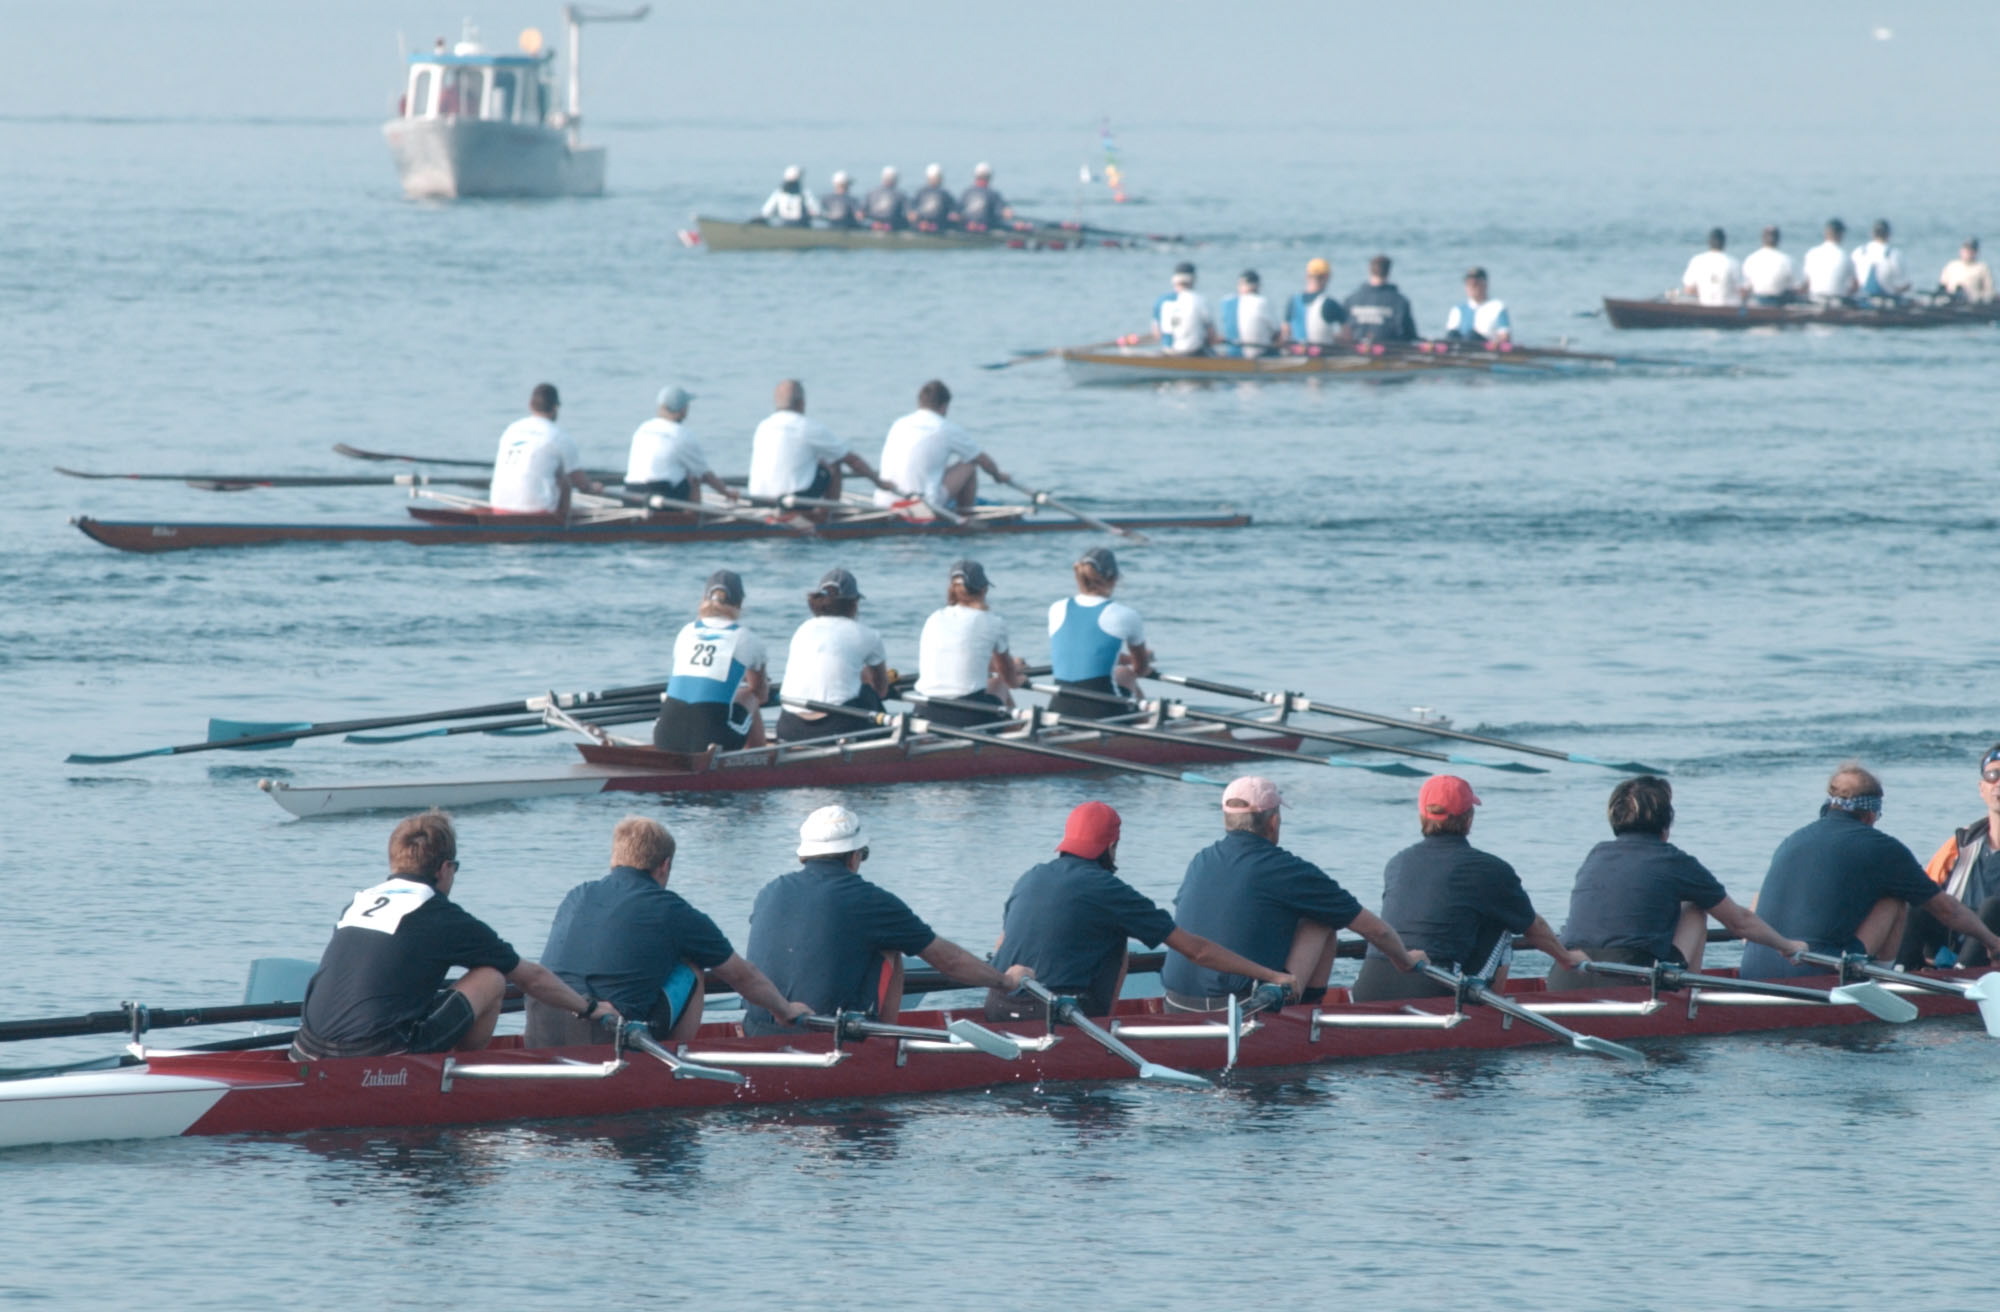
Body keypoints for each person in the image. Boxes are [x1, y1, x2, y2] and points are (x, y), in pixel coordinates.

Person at [292, 812, 620, 1060]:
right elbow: (530, 978)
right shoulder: (441, 916)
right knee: (491, 977)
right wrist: (589, 1007)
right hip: (376, 1057)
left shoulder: (358, 902)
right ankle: (459, 1078)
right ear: (445, 868)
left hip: (304, 1049)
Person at [987, 801, 1297, 1020]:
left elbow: (1001, 945)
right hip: (1055, 1016)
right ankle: (1105, 1028)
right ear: (1111, 846)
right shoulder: (1109, 890)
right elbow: (1197, 951)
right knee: (1117, 937)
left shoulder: (1031, 876)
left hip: (997, 1007)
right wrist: (1271, 975)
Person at [741, 805, 1033, 1035]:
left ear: (805, 855)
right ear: (855, 856)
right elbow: (949, 961)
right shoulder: (869, 900)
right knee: (891, 948)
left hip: (758, 1032)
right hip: (829, 1037)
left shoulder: (769, 891)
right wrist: (1004, 980)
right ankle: (888, 1044)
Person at [524, 817, 811, 1046]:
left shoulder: (577, 895)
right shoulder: (671, 910)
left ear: (615, 859)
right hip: (604, 1034)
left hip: (540, 1028)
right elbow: (741, 975)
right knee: (692, 964)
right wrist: (784, 1010)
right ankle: (675, 1063)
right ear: (665, 865)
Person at [1162, 777, 1426, 1011]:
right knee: (1324, 918)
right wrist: (1404, 960)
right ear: (1274, 822)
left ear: (1226, 819)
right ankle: (1307, 1014)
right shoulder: (1287, 869)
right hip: (1243, 1007)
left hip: (1174, 1003)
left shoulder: (1200, 860)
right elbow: (1375, 931)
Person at [1739, 763, 2000, 980]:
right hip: (1815, 970)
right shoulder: (1883, 848)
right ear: (1871, 814)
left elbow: (1757, 903)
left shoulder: (1792, 841)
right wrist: (1991, 941)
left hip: (1752, 971)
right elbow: (1947, 910)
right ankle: (1883, 979)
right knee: (1895, 897)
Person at [1543, 777, 1805, 992]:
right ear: (1666, 822)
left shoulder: (1596, 855)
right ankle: (1690, 999)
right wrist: (1787, 947)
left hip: (1565, 977)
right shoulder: (1673, 861)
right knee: (1694, 909)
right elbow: (1739, 923)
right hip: (1629, 979)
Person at [1349, 777, 1585, 1002]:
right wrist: (1567, 959)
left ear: (1422, 815)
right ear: (1469, 819)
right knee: (1506, 920)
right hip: (1434, 988)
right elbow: (1535, 927)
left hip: (1368, 988)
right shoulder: (1490, 868)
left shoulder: (1397, 863)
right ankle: (1493, 1014)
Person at [1896, 745, 2000, 969]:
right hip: (1954, 947)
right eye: (1993, 775)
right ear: (1982, 788)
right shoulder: (1960, 844)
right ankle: (1900, 974)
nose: (1999, 783)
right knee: (1918, 905)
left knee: (1992, 908)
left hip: (1992, 957)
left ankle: (1962, 975)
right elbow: (1927, 895)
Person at [653, 569, 770, 753]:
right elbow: (761, 694)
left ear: (704, 599)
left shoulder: (686, 632)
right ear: (740, 602)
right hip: (712, 740)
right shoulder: (747, 638)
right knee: (750, 696)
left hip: (663, 737)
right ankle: (758, 759)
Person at [774, 567, 889, 742]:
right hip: (836, 728)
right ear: (854, 603)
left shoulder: (803, 629)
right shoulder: (868, 634)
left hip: (789, 727)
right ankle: (891, 748)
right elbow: (881, 690)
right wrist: (864, 680)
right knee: (868, 694)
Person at [912, 559, 1023, 727]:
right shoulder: (993, 622)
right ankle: (1019, 737)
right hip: (967, 714)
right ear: (984, 589)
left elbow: (968, 658)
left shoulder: (934, 618)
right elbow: (1008, 678)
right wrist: (1018, 677)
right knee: (999, 683)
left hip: (923, 711)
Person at [1045, 546, 1151, 719]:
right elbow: (1141, 669)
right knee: (1127, 673)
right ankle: (1146, 729)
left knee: (1121, 672)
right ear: (1114, 578)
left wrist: (1126, 660)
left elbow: (1083, 649)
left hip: (1059, 707)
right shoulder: (1126, 614)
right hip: (1102, 711)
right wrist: (1143, 660)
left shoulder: (1056, 608)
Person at [872, 379, 1005, 513]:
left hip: (883, 503)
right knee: (970, 463)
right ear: (944, 406)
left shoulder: (899, 424)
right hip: (921, 506)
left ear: (919, 403)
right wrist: (997, 476)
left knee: (935, 469)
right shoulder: (945, 428)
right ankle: (966, 514)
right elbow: (983, 461)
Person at [746, 379, 880, 504]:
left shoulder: (763, 426)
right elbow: (852, 460)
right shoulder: (806, 426)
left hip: (758, 500)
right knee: (833, 461)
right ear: (801, 403)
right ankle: (827, 515)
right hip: (791, 502)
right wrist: (880, 482)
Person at [490, 382, 601, 514]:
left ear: (530, 405)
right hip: (537, 512)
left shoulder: (511, 429)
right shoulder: (559, 436)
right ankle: (563, 528)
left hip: (498, 506)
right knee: (564, 479)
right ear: (555, 408)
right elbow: (581, 483)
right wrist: (593, 489)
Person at [623, 385, 736, 505]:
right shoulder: (681, 434)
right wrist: (727, 492)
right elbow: (705, 475)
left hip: (630, 494)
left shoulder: (643, 428)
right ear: (682, 410)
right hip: (661, 498)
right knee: (694, 477)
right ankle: (694, 520)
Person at [1345, 254, 1419, 346]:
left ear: (1369, 270)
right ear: (1389, 272)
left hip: (1355, 353)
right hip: (1390, 354)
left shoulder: (1351, 300)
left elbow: (1345, 332)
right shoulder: (1400, 302)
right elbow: (1410, 336)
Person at [1283, 257, 1349, 349]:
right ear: (1327, 277)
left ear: (1306, 276)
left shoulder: (1293, 301)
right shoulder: (1330, 303)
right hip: (1323, 355)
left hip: (1296, 356)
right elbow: (1347, 336)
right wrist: (1334, 338)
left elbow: (1285, 333)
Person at [1152, 262, 1217, 356]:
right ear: (1194, 280)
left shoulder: (1161, 301)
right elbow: (1212, 337)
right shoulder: (1201, 300)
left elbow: (1157, 334)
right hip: (1194, 353)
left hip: (1169, 353)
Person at [1219, 270, 1282, 357]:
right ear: (1257, 286)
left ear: (1240, 285)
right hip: (1258, 355)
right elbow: (1277, 333)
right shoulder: (1262, 302)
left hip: (1232, 354)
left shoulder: (1226, 301)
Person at [1442, 266, 1512, 344]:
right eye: (1468, 284)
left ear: (1485, 285)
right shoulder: (1457, 309)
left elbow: (1505, 336)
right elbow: (1450, 335)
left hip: (1485, 349)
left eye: (1475, 283)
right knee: (1452, 335)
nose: (1472, 287)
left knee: (1471, 335)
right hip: (1462, 348)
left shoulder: (1498, 307)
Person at [1680, 228, 1746, 307]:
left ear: (1709, 242)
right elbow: (1743, 292)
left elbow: (1688, 290)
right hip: (1729, 308)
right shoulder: (1733, 262)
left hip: (1704, 306)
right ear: (1724, 243)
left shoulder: (1697, 261)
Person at [1852, 219, 1911, 301]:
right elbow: (1904, 285)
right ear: (1888, 235)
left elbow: (1853, 283)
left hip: (1862, 302)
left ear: (1872, 234)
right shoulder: (1893, 254)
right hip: (1886, 303)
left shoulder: (1859, 252)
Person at [1802, 218, 1859, 303]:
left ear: (1826, 233)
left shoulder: (1811, 254)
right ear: (1840, 235)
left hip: (1814, 301)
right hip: (1838, 303)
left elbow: (1806, 284)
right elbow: (1855, 286)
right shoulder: (1846, 257)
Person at [1741, 226, 1801, 305]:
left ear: (1762, 239)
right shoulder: (1788, 260)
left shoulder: (1751, 259)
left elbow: (1745, 289)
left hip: (1757, 304)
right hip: (1780, 305)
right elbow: (1797, 288)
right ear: (1778, 240)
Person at [958, 162, 1014, 232]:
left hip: (968, 226)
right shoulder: (993, 194)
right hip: (986, 227)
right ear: (989, 177)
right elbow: (1005, 213)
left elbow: (956, 212)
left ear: (975, 176)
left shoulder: (966, 193)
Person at [1939, 238, 1994, 303]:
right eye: (1966, 249)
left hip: (1971, 304)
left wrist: (1976, 296)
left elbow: (1989, 292)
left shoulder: (1982, 268)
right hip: (1950, 301)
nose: (1968, 252)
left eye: (1971, 250)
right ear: (1961, 250)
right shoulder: (1951, 266)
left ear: (1976, 252)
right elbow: (1942, 286)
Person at [910, 163, 956, 231]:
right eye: (933, 178)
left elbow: (952, 211)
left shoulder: (945, 194)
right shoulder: (921, 192)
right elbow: (912, 210)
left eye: (936, 178)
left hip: (938, 226)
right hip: (921, 224)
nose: (934, 180)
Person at [864, 166, 910, 231]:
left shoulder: (901, 195)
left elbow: (908, 214)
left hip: (891, 225)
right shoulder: (872, 192)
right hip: (874, 224)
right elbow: (863, 212)